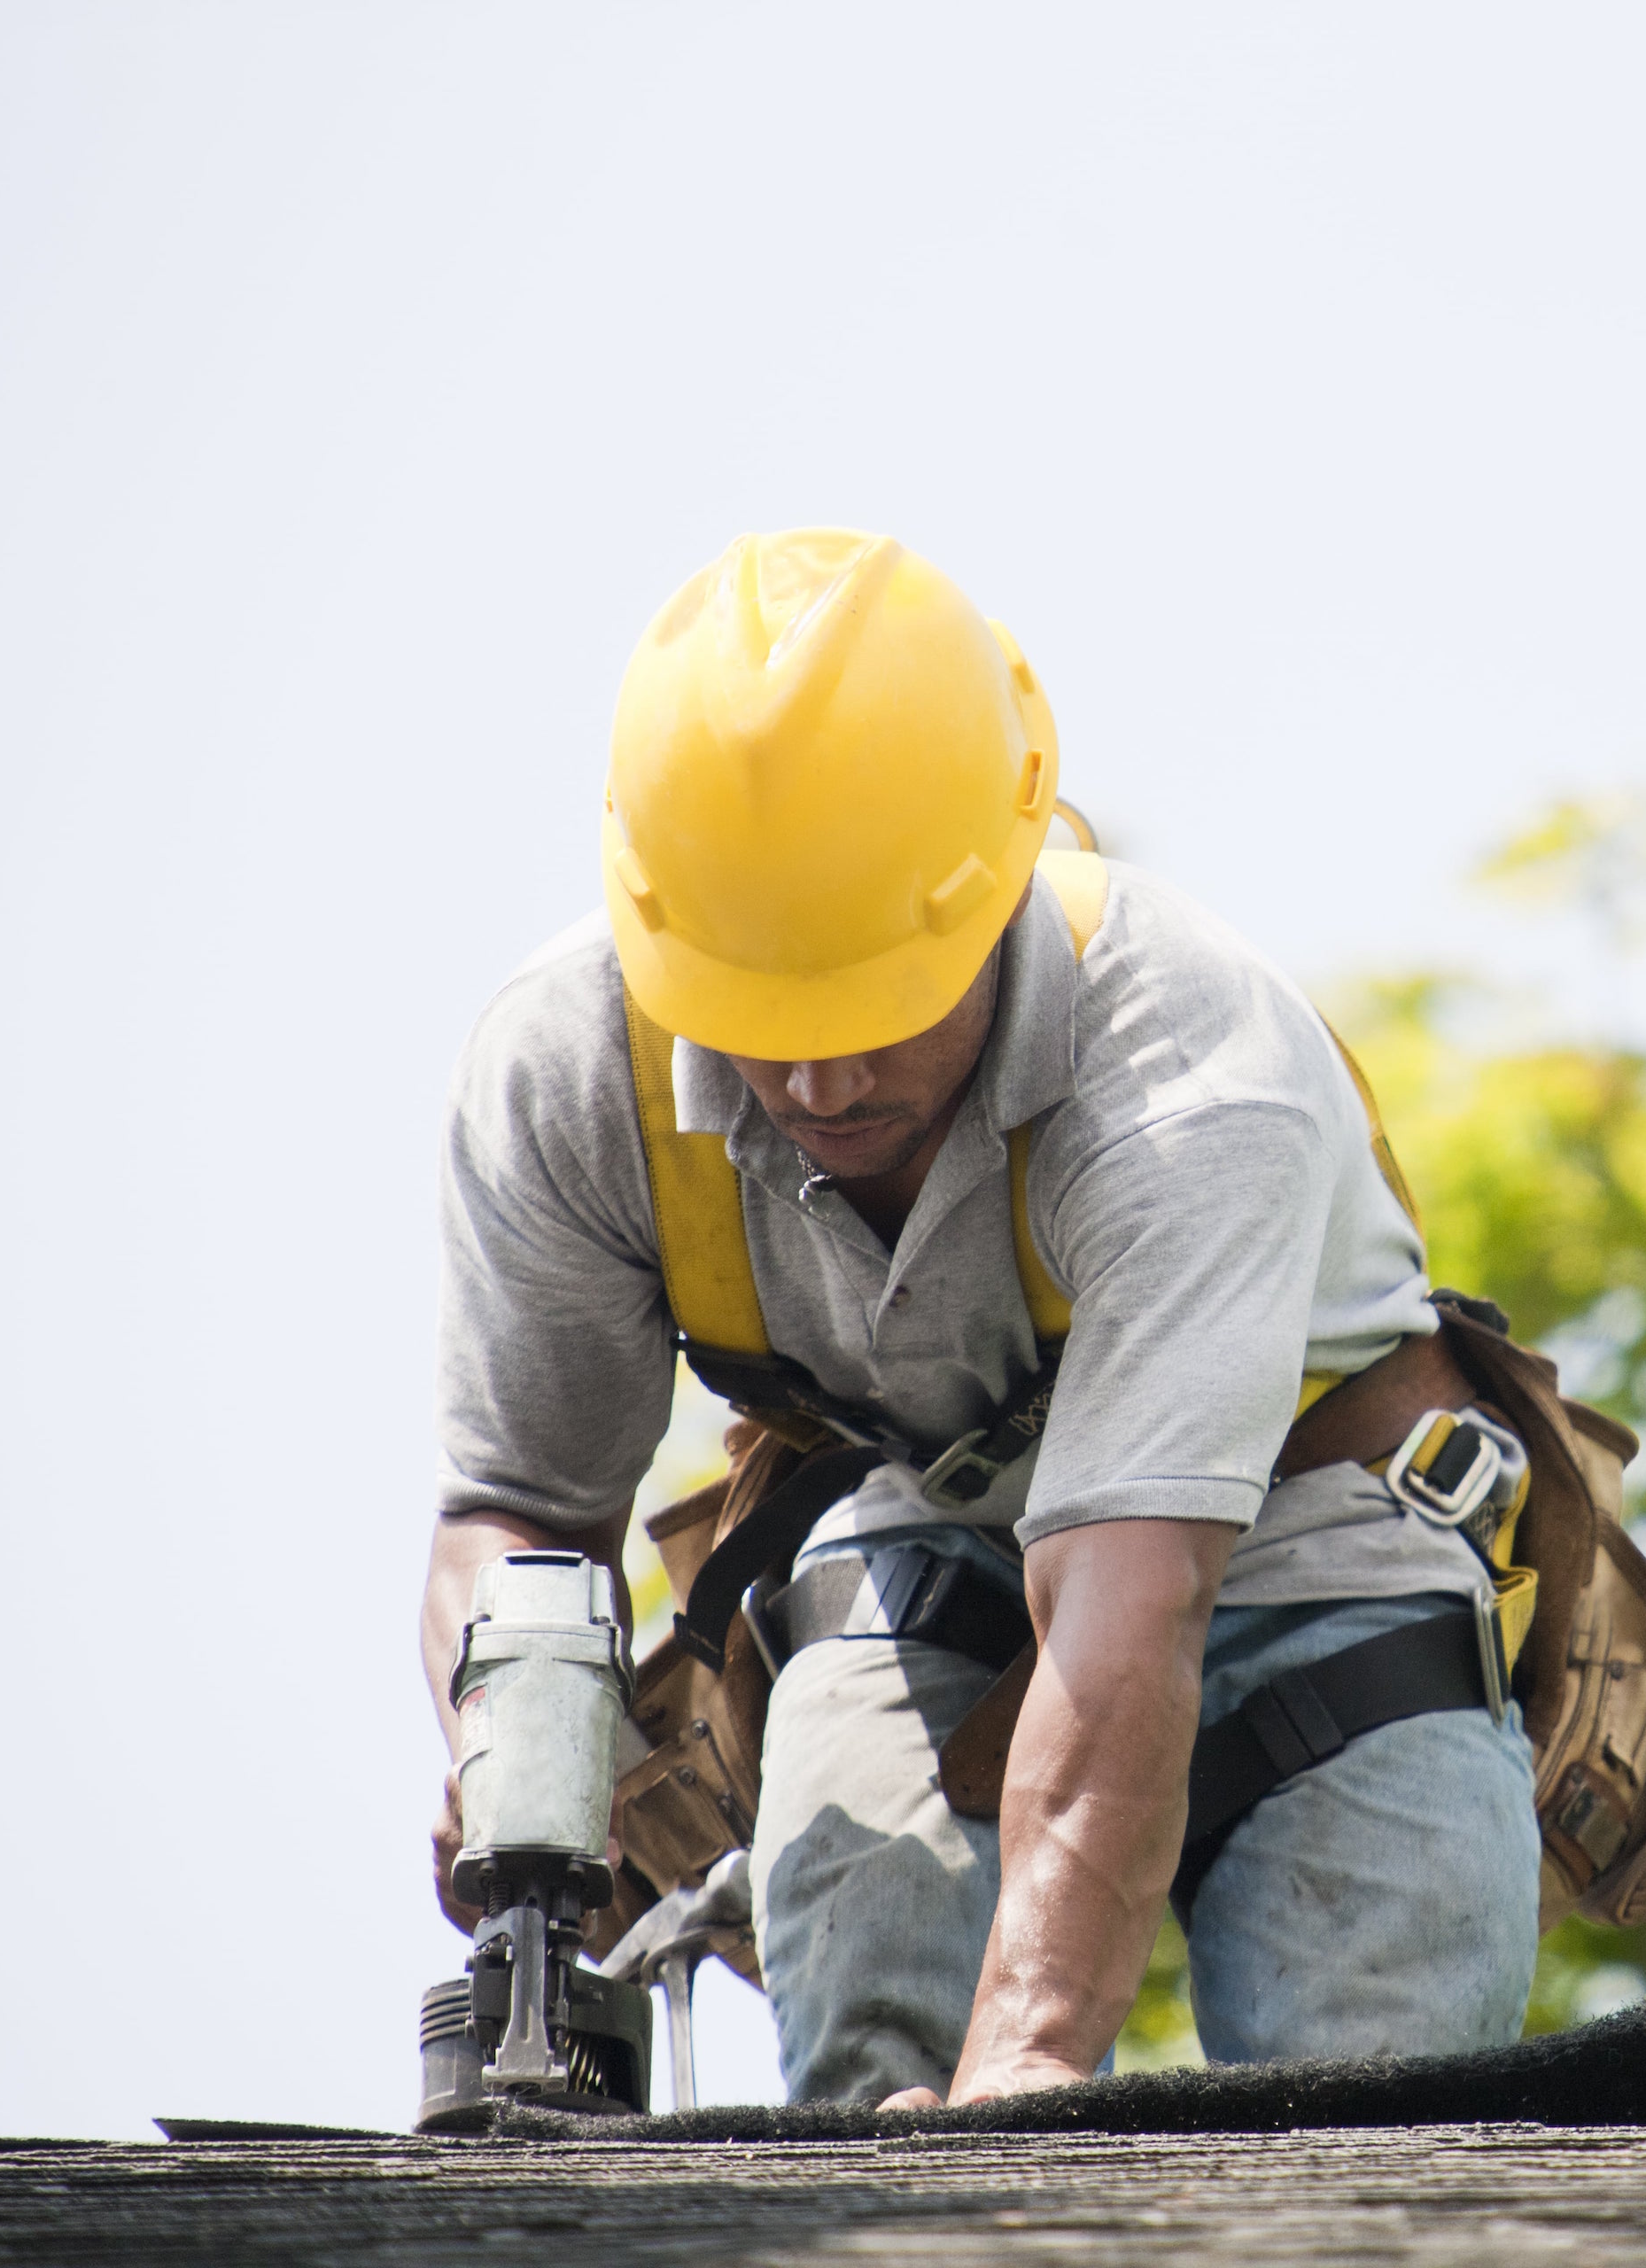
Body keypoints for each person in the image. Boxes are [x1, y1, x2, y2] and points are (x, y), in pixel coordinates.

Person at [416, 528, 1539, 2107]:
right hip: (936, 1523)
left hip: (1313, 1533)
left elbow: (1130, 1600)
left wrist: (1022, 2087)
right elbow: (519, 1518)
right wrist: (524, 1748)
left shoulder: (1186, 1070)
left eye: (872, 1011)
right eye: (759, 1021)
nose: (819, 1087)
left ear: (996, 889)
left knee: (1368, 2111)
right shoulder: (568, 1075)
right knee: (862, 1996)